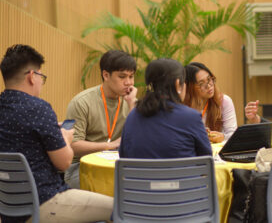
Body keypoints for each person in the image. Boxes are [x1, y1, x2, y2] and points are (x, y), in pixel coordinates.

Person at [0, 44, 113, 223]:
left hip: (9, 210)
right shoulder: (39, 109)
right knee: (120, 207)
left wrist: (52, 130)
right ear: (32, 76)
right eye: (42, 77)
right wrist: (65, 138)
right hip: (47, 202)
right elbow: (65, 162)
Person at [65, 50, 137, 188]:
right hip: (81, 166)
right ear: (106, 75)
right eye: (122, 77)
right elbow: (73, 145)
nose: (128, 83)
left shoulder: (131, 103)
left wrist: (132, 104)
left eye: (131, 76)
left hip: (117, 165)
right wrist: (110, 145)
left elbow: (138, 140)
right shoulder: (82, 102)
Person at [119, 58, 212, 158]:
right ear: (177, 84)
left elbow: (124, 155)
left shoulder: (133, 116)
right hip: (183, 174)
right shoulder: (191, 117)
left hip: (141, 174)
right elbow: (206, 157)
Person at [184, 62, 237, 141]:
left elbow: (233, 135)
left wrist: (223, 137)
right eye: (201, 83)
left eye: (209, 79)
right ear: (190, 87)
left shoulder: (224, 101)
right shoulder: (182, 108)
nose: (209, 86)